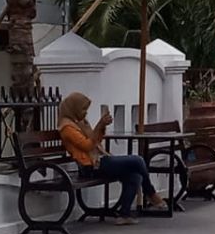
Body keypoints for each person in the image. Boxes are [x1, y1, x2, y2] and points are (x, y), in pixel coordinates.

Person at [58, 92, 164, 225]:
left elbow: (95, 141)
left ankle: (124, 215)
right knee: (137, 161)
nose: (85, 113)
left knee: (135, 175)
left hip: (99, 161)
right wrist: (99, 125)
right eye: (83, 109)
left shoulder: (79, 123)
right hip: (91, 166)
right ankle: (151, 193)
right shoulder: (67, 128)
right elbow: (87, 145)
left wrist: (102, 127)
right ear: (73, 108)